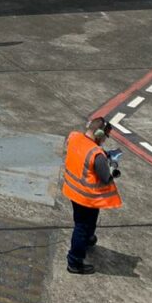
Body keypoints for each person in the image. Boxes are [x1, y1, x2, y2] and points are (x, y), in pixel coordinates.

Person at [61, 117, 122, 274]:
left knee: (86, 220)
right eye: (104, 137)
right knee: (81, 226)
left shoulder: (74, 137)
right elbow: (105, 177)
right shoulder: (97, 154)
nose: (104, 141)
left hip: (73, 190)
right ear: (100, 134)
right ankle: (74, 262)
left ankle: (88, 238)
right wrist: (113, 164)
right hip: (86, 197)